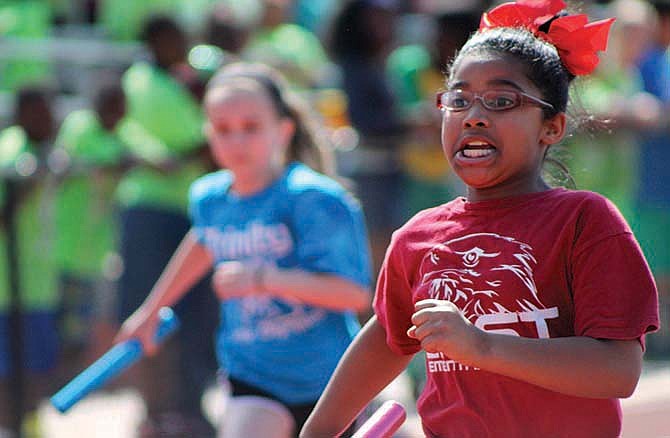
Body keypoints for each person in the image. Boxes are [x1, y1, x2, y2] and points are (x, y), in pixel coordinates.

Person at [300, 1, 660, 437]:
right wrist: (317, 431)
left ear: (552, 127)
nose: (473, 116)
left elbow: (618, 369)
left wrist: (483, 346)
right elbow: (387, 336)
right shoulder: (417, 237)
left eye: (501, 100)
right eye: (459, 99)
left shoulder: (585, 221)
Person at [116, 62, 372, 438]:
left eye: (251, 128)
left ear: (283, 130)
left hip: (330, 380)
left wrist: (262, 279)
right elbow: (205, 240)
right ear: (208, 134)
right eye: (222, 129)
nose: (236, 142)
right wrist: (151, 312)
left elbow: (352, 293)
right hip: (253, 374)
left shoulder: (313, 198)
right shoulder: (209, 197)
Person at [117, 15, 219, 437]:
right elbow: (188, 142)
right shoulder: (142, 81)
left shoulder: (190, 79)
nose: (180, 44)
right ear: (154, 41)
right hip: (152, 212)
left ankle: (189, 409)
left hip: (191, 211)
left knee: (198, 315)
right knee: (150, 312)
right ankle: (155, 413)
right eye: (171, 37)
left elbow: (203, 142)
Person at [0, 85, 58, 437]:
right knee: (9, 371)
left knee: (36, 367)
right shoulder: (11, 153)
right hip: (9, 289)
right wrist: (23, 187)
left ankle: (29, 429)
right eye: (40, 112)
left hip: (35, 284)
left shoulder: (40, 152)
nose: (49, 120)